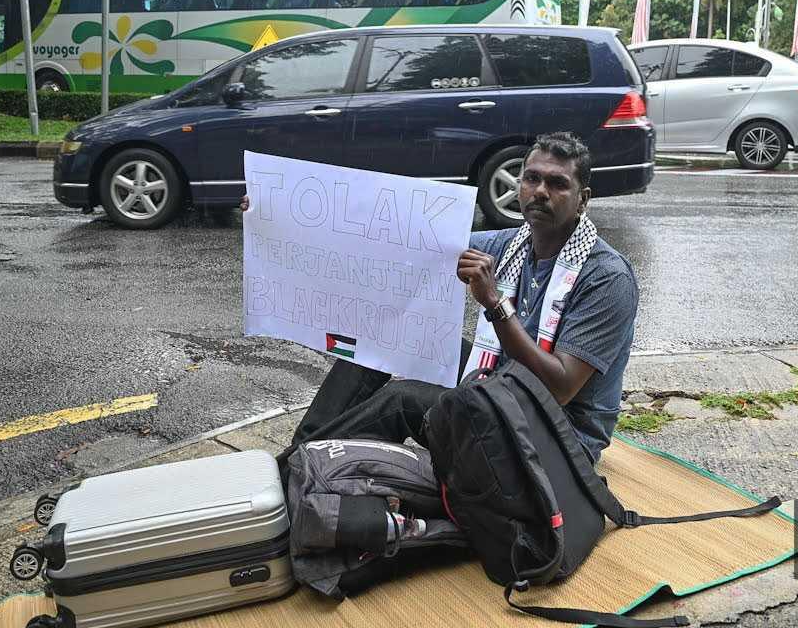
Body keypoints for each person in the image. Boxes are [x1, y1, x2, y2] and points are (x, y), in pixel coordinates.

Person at [266, 131, 639, 468]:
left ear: (582, 199)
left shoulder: (606, 277)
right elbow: (400, 240)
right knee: (387, 335)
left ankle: (305, 468)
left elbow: (559, 387)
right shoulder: (510, 245)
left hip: (558, 440)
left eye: (558, 183)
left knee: (404, 399)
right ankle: (301, 455)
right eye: (532, 178)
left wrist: (494, 304)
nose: (540, 191)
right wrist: (277, 211)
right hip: (501, 384)